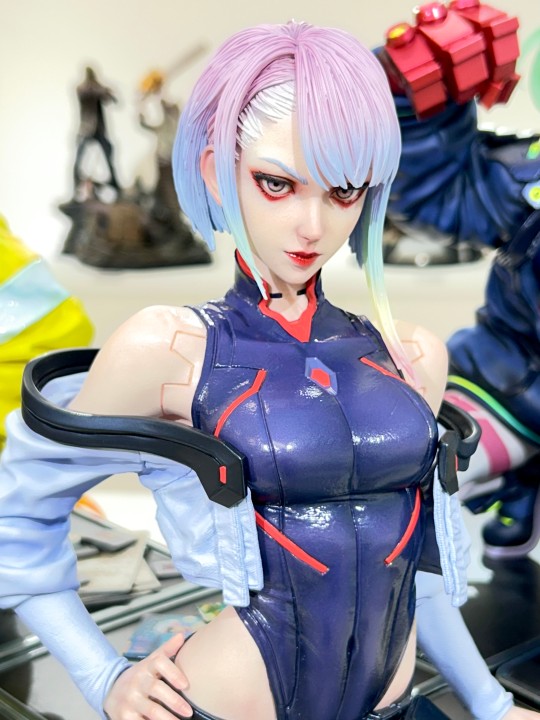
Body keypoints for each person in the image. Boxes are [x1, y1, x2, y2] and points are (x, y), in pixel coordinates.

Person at [0, 21, 538, 720]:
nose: (312, 226)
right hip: (226, 701)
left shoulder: (408, 358)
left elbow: (416, 575)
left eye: (343, 191)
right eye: (277, 183)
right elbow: (19, 523)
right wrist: (104, 677)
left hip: (394, 705)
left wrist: (491, 705)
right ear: (214, 169)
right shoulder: (168, 348)